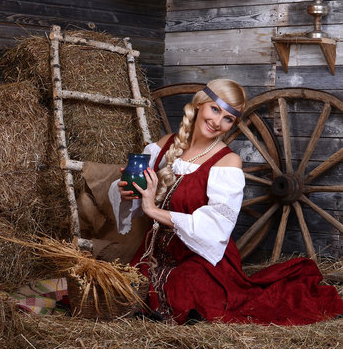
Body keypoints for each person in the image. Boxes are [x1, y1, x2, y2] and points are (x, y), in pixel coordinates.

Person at [108, 79, 343, 325]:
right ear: (199, 105)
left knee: (186, 290)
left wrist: (152, 210)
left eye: (228, 118)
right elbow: (135, 199)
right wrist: (127, 192)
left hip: (202, 259)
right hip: (153, 254)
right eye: (215, 109)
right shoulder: (163, 145)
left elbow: (215, 227)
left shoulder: (227, 163)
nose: (217, 122)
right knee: (121, 289)